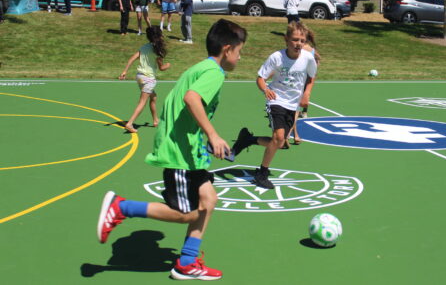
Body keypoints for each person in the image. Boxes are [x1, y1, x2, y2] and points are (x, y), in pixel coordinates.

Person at [97, 19, 247, 281]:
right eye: (240, 50)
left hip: (188, 150)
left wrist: (201, 140)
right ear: (227, 50)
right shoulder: (214, 73)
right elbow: (191, 99)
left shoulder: (200, 68)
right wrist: (211, 133)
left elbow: (177, 104)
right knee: (185, 214)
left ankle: (187, 263)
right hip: (181, 154)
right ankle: (122, 207)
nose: (240, 56)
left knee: (209, 201)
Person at [231, 22, 317, 189]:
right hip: (276, 100)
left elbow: (311, 77)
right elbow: (260, 78)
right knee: (278, 138)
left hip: (293, 105)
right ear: (286, 39)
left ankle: (248, 140)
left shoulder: (308, 58)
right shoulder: (277, 57)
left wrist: (307, 94)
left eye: (302, 40)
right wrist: (265, 90)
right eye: (294, 40)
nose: (298, 43)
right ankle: (262, 173)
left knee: (280, 142)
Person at [118, 26, 170, 133]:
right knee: (142, 102)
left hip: (139, 77)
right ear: (159, 36)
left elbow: (132, 58)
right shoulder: (157, 51)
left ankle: (155, 120)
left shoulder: (144, 47)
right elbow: (161, 68)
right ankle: (130, 123)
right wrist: (168, 65)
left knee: (153, 97)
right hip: (149, 79)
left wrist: (125, 71)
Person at [286, 28, 321, 147]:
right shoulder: (311, 50)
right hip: (304, 78)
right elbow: (318, 60)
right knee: (295, 108)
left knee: (294, 109)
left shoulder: (302, 49)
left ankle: (290, 134)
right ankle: (295, 134)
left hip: (297, 79)